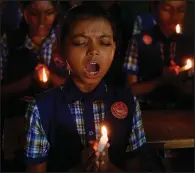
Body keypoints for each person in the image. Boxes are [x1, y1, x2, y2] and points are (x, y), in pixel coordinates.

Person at [24, 4, 163, 172]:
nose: (94, 51)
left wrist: (109, 168)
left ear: (114, 49)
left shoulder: (128, 103)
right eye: (80, 42)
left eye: (104, 43)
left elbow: (136, 166)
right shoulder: (40, 109)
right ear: (61, 51)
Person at [0, 0, 68, 169]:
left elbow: (79, 87)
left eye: (49, 13)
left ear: (56, 13)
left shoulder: (66, 42)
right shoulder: (9, 42)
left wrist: (51, 78)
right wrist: (29, 80)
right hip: (16, 129)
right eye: (35, 13)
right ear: (24, 13)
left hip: (57, 129)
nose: (42, 20)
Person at [123, 0, 193, 109]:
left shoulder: (189, 44)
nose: (174, 17)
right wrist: (160, 81)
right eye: (167, 10)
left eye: (180, 10)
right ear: (154, 8)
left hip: (183, 112)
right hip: (148, 112)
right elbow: (130, 91)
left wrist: (180, 79)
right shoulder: (139, 42)